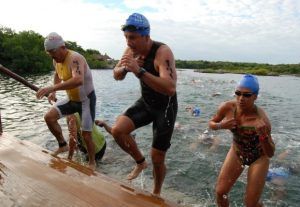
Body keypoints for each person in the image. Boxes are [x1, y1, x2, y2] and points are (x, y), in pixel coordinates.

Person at [111, 13, 178, 196]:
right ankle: (140, 162)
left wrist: (139, 71)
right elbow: (116, 74)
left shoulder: (162, 52)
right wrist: (126, 68)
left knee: (157, 157)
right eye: (125, 37)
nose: (128, 42)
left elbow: (170, 88)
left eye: (132, 38)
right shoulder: (130, 51)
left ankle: (156, 192)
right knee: (118, 130)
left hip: (165, 108)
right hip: (146, 102)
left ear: (146, 36)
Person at [208, 74, 275, 207]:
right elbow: (211, 123)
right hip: (237, 151)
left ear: (255, 96)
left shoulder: (261, 121)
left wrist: (264, 136)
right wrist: (221, 126)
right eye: (238, 93)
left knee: (250, 204)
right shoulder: (227, 108)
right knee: (220, 192)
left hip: (258, 158)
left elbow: (270, 153)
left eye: (246, 95)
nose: (240, 98)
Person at [36, 32, 97, 170]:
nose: (52, 56)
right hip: (71, 100)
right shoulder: (56, 60)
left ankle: (92, 162)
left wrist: (51, 87)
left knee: (86, 135)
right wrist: (53, 91)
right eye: (49, 53)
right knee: (49, 117)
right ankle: (63, 145)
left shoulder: (75, 58)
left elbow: (78, 80)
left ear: (63, 47)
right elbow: (57, 74)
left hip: (86, 101)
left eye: (53, 52)